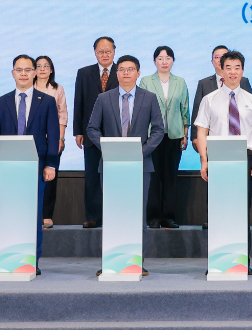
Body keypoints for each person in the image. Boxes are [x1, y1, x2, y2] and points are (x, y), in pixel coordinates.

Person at [87, 55, 165, 277]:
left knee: (137, 215)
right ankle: (110, 261)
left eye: (130, 69)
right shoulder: (104, 98)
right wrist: (109, 148)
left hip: (140, 165)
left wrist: (141, 151)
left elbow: (158, 129)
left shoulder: (149, 98)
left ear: (138, 73)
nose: (126, 73)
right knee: (112, 214)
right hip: (111, 164)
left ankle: (136, 261)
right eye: (122, 69)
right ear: (116, 73)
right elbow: (92, 128)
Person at [193, 51, 252, 275]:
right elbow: (201, 131)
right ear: (221, 70)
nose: (233, 72)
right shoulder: (209, 99)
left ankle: (242, 261)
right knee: (218, 210)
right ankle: (217, 261)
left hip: (244, 157)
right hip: (218, 157)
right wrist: (204, 160)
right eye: (228, 67)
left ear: (242, 71)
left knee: (241, 210)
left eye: (237, 67)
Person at [0, 55, 60, 275]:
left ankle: (31, 261)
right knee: (10, 214)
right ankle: (9, 258)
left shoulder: (47, 101)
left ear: (35, 73)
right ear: (13, 74)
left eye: (28, 69)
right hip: (8, 167)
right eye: (19, 70)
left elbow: (53, 135)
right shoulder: (1, 102)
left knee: (33, 215)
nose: (24, 74)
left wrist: (51, 164)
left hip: (36, 167)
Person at [190, 45, 252, 229]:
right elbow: (198, 113)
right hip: (215, 147)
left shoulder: (244, 83)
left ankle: (239, 226)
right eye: (217, 57)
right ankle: (214, 221)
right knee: (216, 189)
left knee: (240, 193)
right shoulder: (204, 84)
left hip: (241, 148)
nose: (232, 70)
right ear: (214, 62)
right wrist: (196, 140)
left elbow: (249, 114)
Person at [138, 46, 190, 229]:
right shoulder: (146, 81)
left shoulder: (180, 82)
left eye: (168, 58)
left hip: (174, 135)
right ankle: (153, 217)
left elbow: (185, 109)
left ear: (173, 61)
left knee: (170, 177)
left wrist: (185, 134)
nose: (164, 61)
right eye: (160, 58)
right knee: (153, 177)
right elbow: (141, 109)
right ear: (155, 61)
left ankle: (168, 216)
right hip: (152, 136)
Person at [74, 37, 118, 228]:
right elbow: (79, 102)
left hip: (116, 133)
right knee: (92, 176)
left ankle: (114, 215)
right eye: (101, 51)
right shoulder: (84, 73)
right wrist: (78, 131)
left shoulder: (122, 71)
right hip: (91, 134)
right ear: (95, 53)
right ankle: (93, 217)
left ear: (114, 51)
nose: (105, 55)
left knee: (114, 176)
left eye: (108, 51)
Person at [191, 45, 252, 154]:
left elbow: (250, 111)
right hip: (213, 141)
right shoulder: (204, 84)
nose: (220, 60)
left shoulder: (243, 81)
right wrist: (195, 136)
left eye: (223, 56)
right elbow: (197, 110)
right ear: (212, 61)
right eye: (217, 57)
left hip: (240, 140)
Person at [35, 56, 67, 229]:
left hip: (53, 140)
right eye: (38, 66)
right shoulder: (28, 88)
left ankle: (47, 215)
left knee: (50, 178)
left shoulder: (57, 89)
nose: (42, 69)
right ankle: (31, 214)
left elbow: (62, 114)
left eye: (46, 66)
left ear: (51, 69)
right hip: (33, 140)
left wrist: (60, 138)